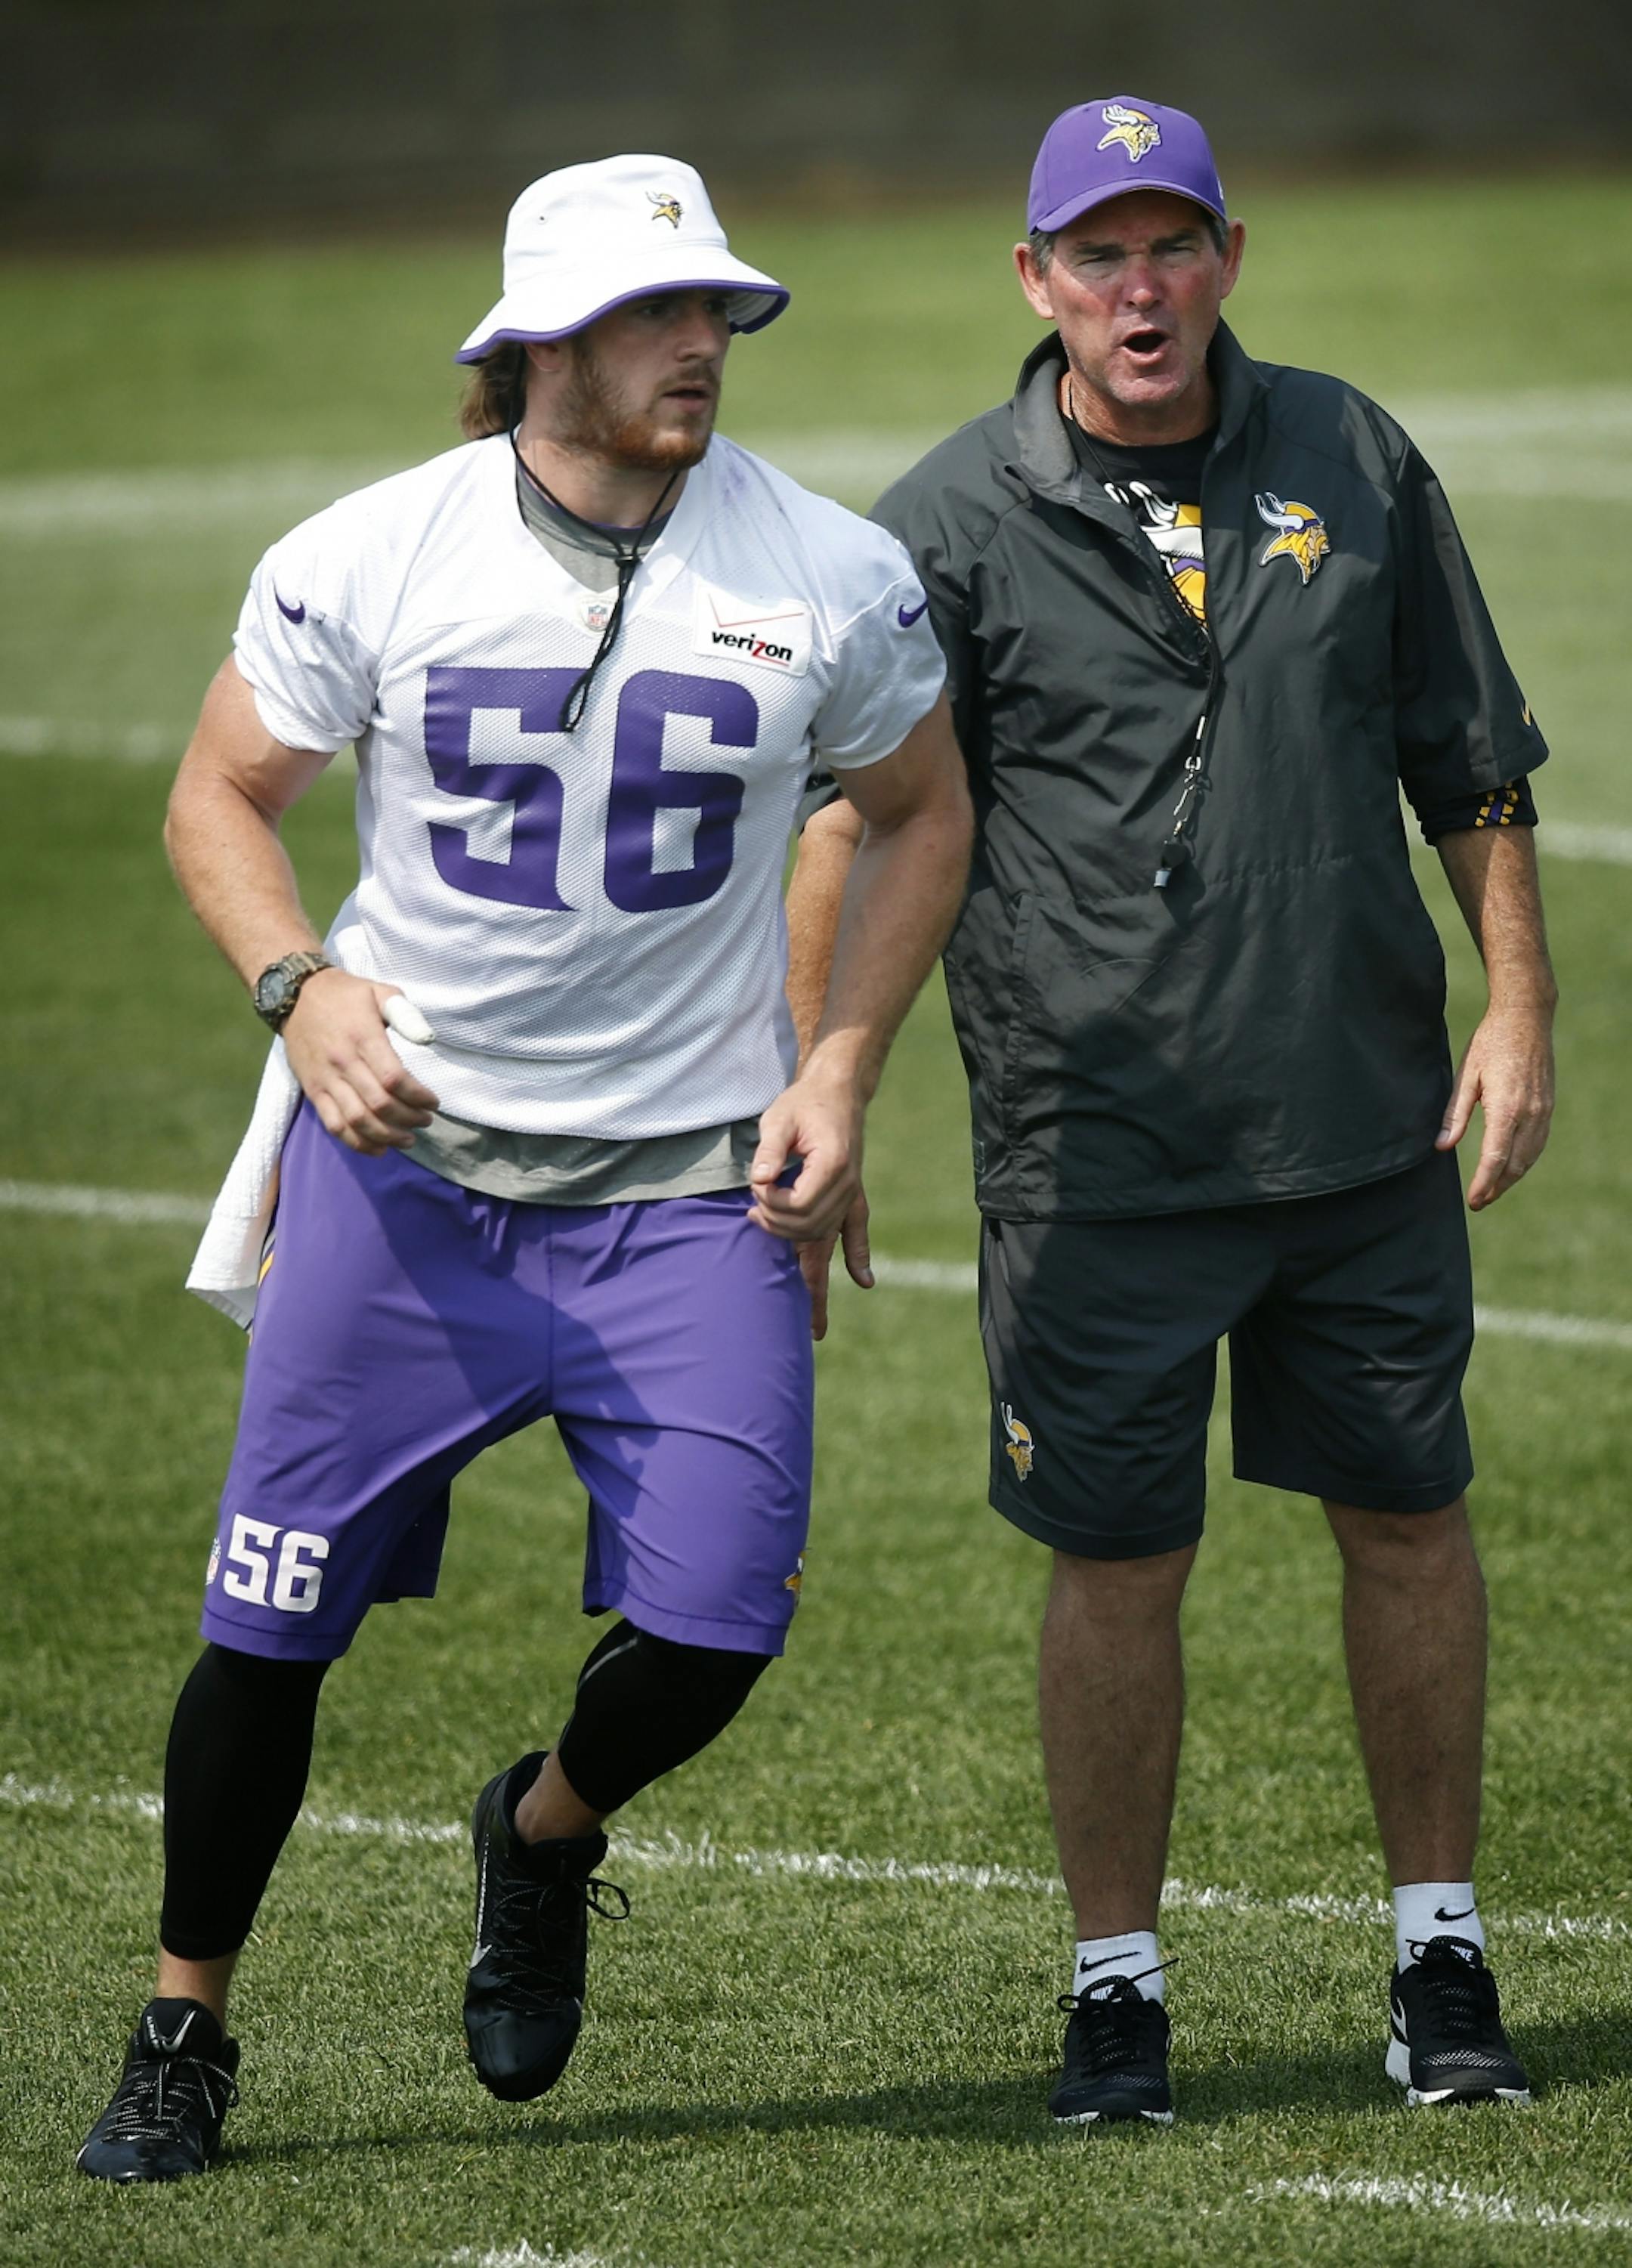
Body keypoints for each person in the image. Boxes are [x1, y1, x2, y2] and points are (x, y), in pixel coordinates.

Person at [77, 151, 971, 2183]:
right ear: (541, 342)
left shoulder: (828, 568)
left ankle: (543, 1830)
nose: (703, 343)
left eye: (717, 308)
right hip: (410, 1184)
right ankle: (183, 2024)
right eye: (658, 312)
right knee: (268, 1624)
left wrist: (842, 1060)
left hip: (687, 1193)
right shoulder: (377, 548)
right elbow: (220, 792)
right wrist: (298, 986)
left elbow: (924, 808)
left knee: (722, 1623)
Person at [792, 96, 1555, 2125]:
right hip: (1098, 1151)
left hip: (1362, 1122)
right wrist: (827, 1072)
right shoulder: (943, 526)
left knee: (1413, 1520)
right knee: (1120, 1562)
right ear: (1036, 281)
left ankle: (1443, 1951)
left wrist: (1520, 1003)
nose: (1141, 291)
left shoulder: (1354, 453)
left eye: (1172, 246)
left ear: (1229, 257)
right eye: (1099, 255)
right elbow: (855, 824)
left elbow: (1472, 753)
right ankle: (1116, 1987)